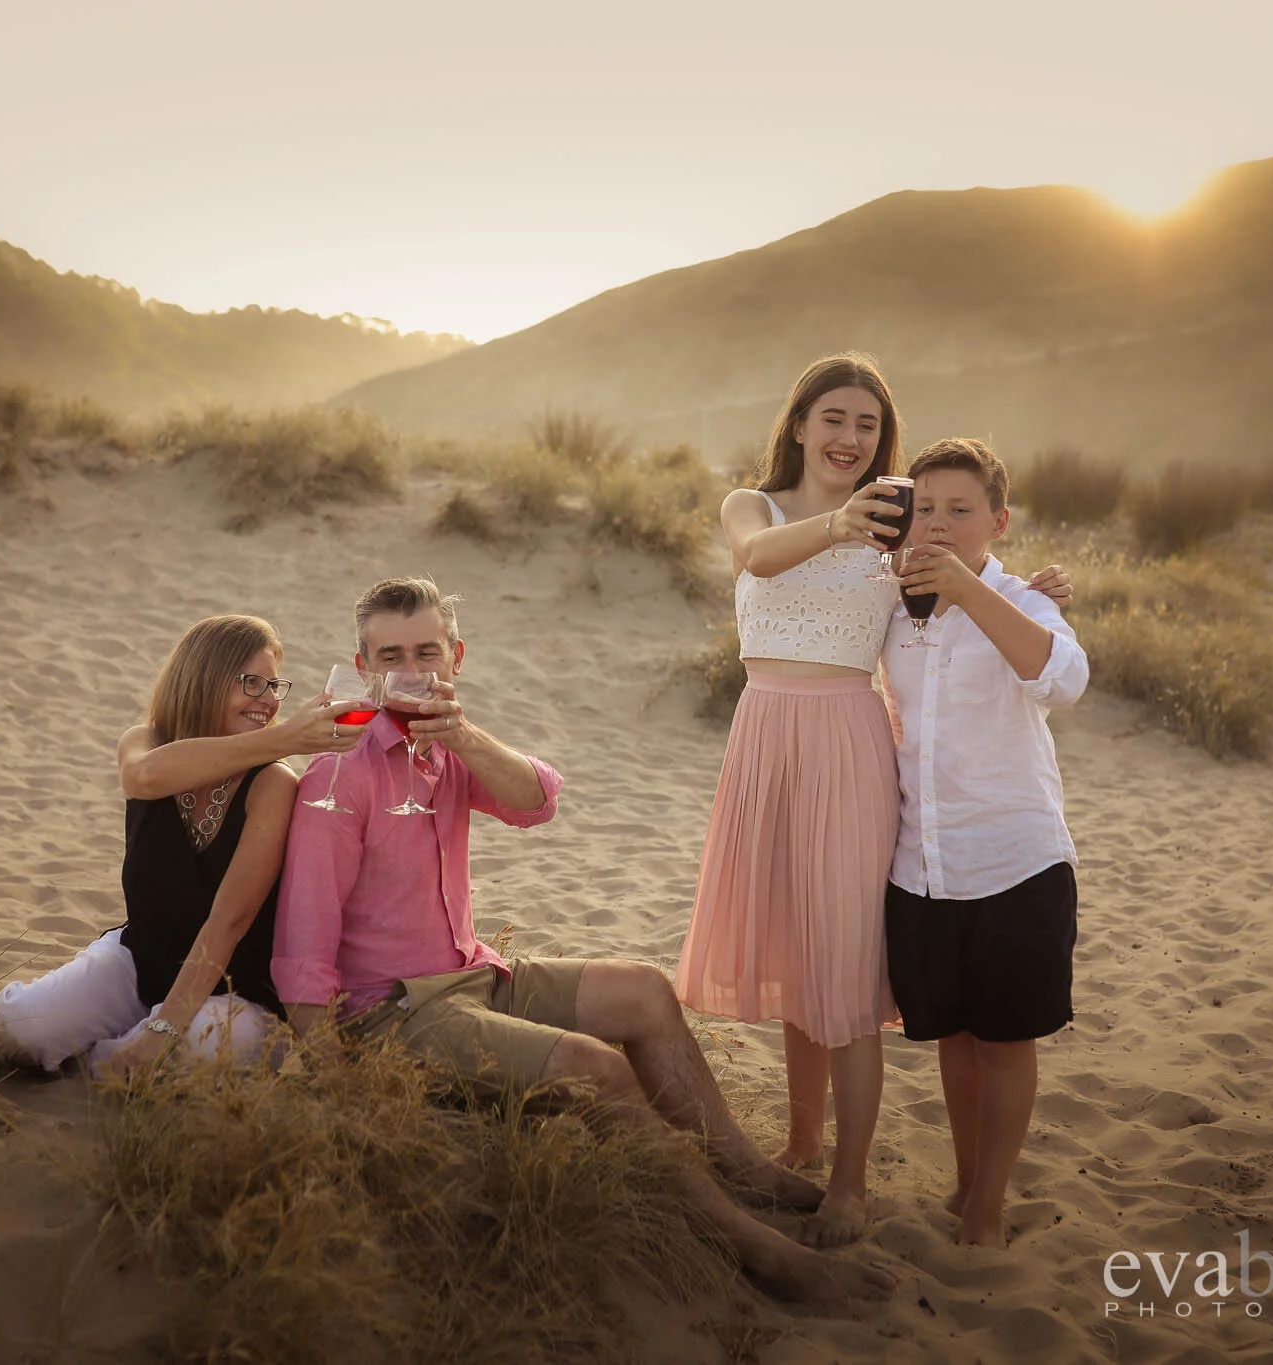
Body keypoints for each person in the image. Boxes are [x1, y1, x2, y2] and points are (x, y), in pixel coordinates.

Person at [274, 576, 896, 1305]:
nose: (411, 673)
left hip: (472, 974)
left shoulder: (449, 749)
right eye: (391, 657)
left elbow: (538, 801)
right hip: (396, 1009)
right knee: (595, 1068)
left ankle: (745, 1170)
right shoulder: (340, 774)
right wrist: (335, 1084)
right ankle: (760, 1251)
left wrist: (463, 735)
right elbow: (302, 947)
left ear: (456, 658)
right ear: (363, 666)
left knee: (645, 991)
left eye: (427, 653)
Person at [674, 353, 1073, 1247]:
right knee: (792, 950)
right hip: (763, 734)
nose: (850, 437)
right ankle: (802, 1143)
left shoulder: (895, 530)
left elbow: (964, 573)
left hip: (849, 740)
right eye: (834, 418)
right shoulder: (754, 505)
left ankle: (850, 1181)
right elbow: (754, 556)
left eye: (867, 424)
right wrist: (840, 524)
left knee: (847, 966)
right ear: (800, 423)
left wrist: (1028, 589)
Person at [0, 614, 369, 1077]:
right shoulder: (147, 742)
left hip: (235, 991)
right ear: (206, 679)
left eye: (275, 686)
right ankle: (118, 1041)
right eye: (252, 683)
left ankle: (110, 1057)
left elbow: (229, 921)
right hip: (141, 962)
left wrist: (162, 1031)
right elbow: (144, 777)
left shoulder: (273, 783)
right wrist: (287, 736)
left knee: (196, 1051)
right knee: (14, 1030)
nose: (270, 700)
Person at [884, 438, 1088, 1247]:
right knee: (956, 1039)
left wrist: (972, 589)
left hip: (1016, 861)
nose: (938, 522)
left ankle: (988, 1205)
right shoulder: (892, 603)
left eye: (960, 509)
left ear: (998, 521)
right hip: (923, 866)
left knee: (1005, 1042)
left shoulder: (1025, 602)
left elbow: (1063, 678)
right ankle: (967, 1181)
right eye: (926, 507)